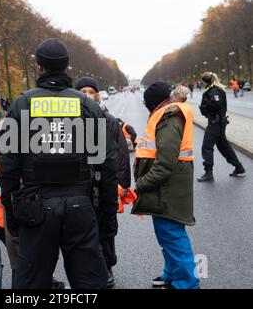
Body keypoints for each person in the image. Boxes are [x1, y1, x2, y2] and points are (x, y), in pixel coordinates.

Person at [0, 38, 118, 289]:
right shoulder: (87, 105)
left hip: (36, 208)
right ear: (66, 67)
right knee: (89, 284)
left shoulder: (22, 103)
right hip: (80, 205)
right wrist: (106, 211)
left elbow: (7, 164)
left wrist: (11, 209)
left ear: (39, 67)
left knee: (31, 286)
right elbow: (106, 164)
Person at [132, 82, 200, 289]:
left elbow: (165, 163)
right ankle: (171, 273)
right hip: (168, 186)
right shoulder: (168, 115)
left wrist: (142, 183)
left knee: (172, 235)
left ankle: (186, 283)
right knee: (166, 234)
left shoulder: (169, 118)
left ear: (153, 103)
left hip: (169, 188)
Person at [74, 76, 130, 288]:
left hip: (104, 185)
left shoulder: (110, 120)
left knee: (105, 229)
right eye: (83, 92)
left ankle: (107, 267)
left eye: (90, 91)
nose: (87, 95)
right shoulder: (71, 120)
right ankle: (87, 270)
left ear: (96, 94)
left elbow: (122, 154)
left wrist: (123, 183)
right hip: (79, 186)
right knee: (82, 232)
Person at [198, 72, 245, 182]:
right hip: (218, 122)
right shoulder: (214, 88)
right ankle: (238, 167)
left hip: (215, 122)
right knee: (223, 146)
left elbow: (217, 104)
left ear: (207, 80)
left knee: (206, 146)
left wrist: (205, 104)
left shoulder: (214, 90)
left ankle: (208, 173)